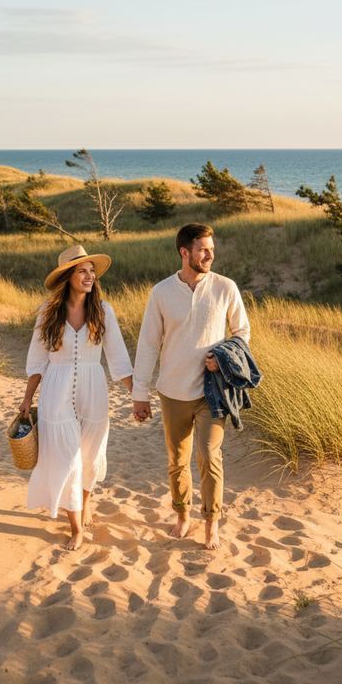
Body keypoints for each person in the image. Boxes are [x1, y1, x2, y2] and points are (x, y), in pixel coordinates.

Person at [132, 223, 250, 550]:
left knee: (210, 455)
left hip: (213, 391)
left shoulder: (226, 288)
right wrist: (139, 394)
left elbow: (242, 333)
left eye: (211, 248)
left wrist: (223, 356)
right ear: (185, 252)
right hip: (172, 391)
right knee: (177, 460)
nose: (210, 254)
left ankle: (211, 522)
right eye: (203, 249)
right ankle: (182, 514)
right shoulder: (161, 292)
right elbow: (148, 345)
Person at [20, 245, 134, 550]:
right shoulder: (47, 312)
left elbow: (119, 359)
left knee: (89, 457)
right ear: (68, 277)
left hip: (94, 389)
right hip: (55, 391)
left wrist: (138, 395)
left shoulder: (104, 310)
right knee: (68, 458)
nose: (89, 276)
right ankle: (76, 528)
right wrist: (26, 399)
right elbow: (36, 361)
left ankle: (83, 506)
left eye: (91, 271)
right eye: (82, 271)